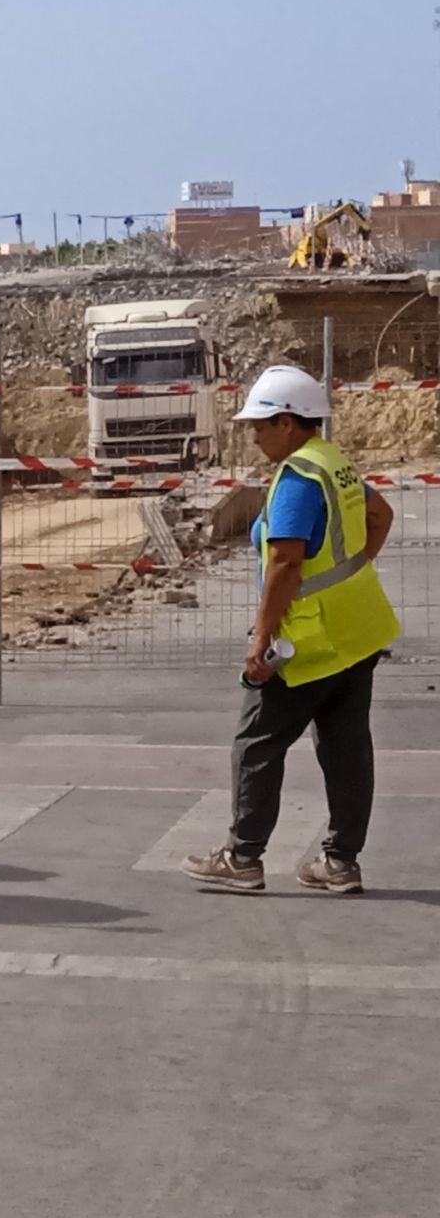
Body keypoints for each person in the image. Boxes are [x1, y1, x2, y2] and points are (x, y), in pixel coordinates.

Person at [184, 364, 398, 895]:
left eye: (259, 425)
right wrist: (349, 574)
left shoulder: (298, 479)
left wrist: (261, 641)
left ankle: (243, 857)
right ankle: (341, 862)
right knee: (347, 748)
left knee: (256, 742)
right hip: (358, 630)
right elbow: (381, 516)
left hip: (307, 641)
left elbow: (283, 564)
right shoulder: (334, 463)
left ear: (286, 422)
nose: (253, 435)